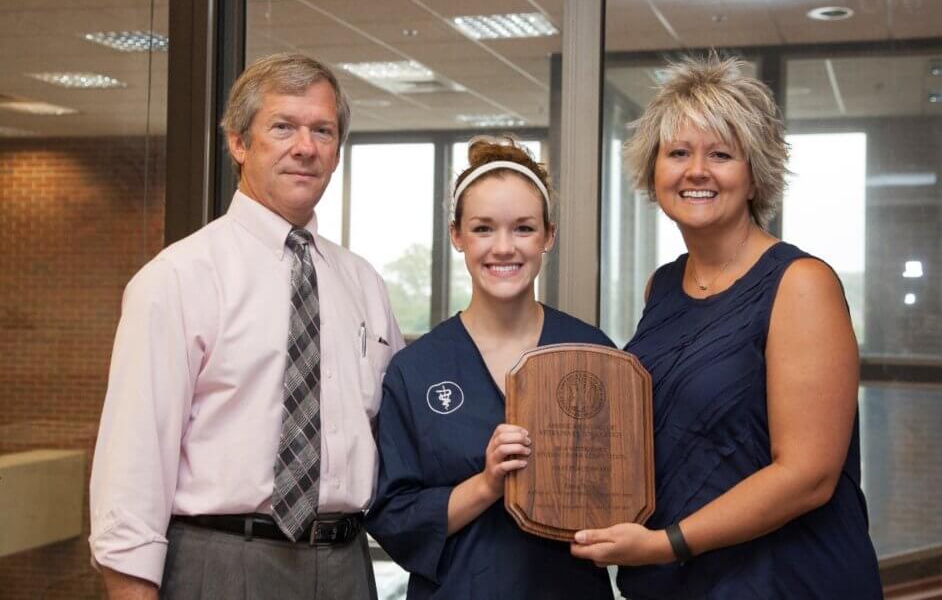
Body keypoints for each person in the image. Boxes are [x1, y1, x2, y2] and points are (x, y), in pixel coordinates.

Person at [89, 52, 403, 600]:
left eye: (322, 131)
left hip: (346, 568)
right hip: (223, 564)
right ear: (239, 143)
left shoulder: (364, 284)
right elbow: (133, 460)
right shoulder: (177, 278)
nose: (305, 147)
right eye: (283, 127)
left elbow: (393, 429)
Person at [570, 55, 883, 599]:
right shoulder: (662, 286)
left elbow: (807, 476)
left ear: (754, 172)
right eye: (678, 153)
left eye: (720, 154)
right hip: (683, 580)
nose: (697, 171)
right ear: (652, 171)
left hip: (785, 579)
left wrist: (665, 544)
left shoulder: (800, 284)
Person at [365, 136, 615, 599]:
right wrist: (487, 483)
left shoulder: (593, 353)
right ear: (456, 236)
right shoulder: (416, 369)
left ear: (549, 236)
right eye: (483, 229)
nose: (504, 248)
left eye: (523, 228)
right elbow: (394, 516)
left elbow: (623, 493)